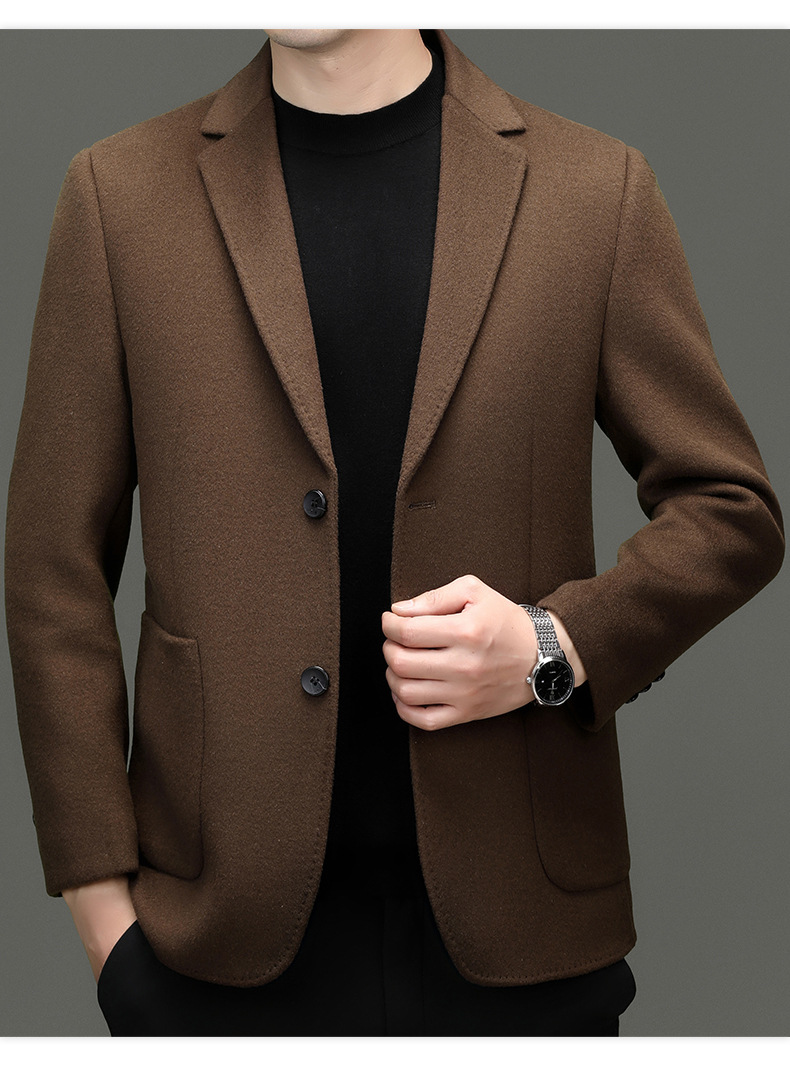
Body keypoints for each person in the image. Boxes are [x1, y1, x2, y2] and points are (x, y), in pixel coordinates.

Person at [4, 28, 784, 1037]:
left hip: (524, 935)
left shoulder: (595, 191)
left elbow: (730, 510)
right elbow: (51, 569)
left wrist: (550, 648)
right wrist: (103, 921)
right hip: (213, 944)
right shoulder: (119, 196)